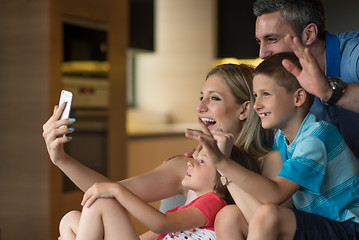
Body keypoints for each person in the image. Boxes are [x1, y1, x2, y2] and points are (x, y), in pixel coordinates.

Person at [43, 63, 278, 239]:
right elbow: (106, 193)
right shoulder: (186, 165)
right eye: (201, 97)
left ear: (245, 109)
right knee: (72, 220)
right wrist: (61, 159)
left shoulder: (269, 166)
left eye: (214, 98)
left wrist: (223, 164)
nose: (200, 107)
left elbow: (274, 226)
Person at [186, 52, 359, 239]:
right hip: (314, 222)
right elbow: (252, 157)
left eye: (266, 94)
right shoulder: (281, 138)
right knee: (230, 216)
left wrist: (222, 163)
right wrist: (207, 153)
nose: (256, 105)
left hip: (346, 226)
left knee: (269, 215)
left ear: (298, 98)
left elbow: (276, 193)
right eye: (255, 96)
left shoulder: (314, 138)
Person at [60, 142, 233, 240]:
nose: (190, 162)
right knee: (70, 220)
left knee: (102, 202)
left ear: (223, 174)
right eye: (194, 158)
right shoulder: (192, 208)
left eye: (201, 162)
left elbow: (161, 223)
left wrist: (117, 190)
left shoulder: (213, 202)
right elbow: (158, 233)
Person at [253, 0, 359, 159]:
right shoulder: (284, 82)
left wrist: (329, 91)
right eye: (259, 41)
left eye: (272, 39)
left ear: (309, 34)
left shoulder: (355, 55)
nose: (262, 53)